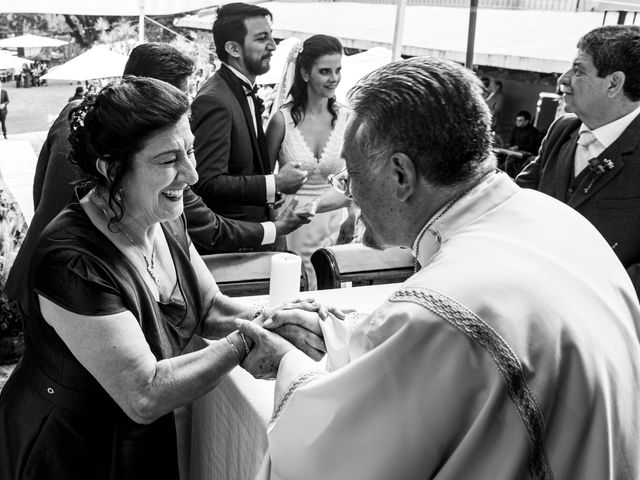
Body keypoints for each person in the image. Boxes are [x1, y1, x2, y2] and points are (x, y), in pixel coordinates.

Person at [236, 57, 640, 479]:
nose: (350, 194)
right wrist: (338, 334)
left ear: (401, 175)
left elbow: (329, 458)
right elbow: (477, 359)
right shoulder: (561, 220)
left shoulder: (441, 308)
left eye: (351, 177)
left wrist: (286, 362)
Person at [0, 77, 330, 480]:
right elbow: (145, 392)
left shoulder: (164, 218)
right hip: (68, 448)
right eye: (168, 160)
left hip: (137, 439)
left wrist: (281, 315)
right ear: (110, 167)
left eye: (189, 150)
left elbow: (210, 307)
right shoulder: (71, 259)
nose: (190, 174)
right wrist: (249, 338)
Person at [4, 42, 306, 314]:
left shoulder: (79, 114)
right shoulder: (149, 156)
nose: (179, 109)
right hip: (79, 279)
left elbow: (40, 183)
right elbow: (207, 226)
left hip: (43, 266)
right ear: (150, 93)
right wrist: (275, 229)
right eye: (175, 97)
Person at [517, 25, 640, 299]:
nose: (564, 79)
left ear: (613, 83)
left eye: (578, 70)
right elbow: (518, 199)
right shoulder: (562, 130)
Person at [190, 3, 309, 250]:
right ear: (233, 48)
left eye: (271, 36)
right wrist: (275, 183)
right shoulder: (215, 100)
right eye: (262, 38)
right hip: (234, 246)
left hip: (259, 233)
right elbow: (207, 183)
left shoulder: (240, 90)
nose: (273, 46)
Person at [265, 34, 353, 289]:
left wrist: (352, 214)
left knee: (332, 285)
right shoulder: (281, 121)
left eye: (337, 70)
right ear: (304, 73)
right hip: (291, 224)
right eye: (325, 71)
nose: (333, 78)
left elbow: (355, 177)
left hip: (334, 221)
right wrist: (275, 229)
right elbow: (266, 180)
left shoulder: (348, 118)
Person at [499, 110, 541, 177]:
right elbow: (511, 141)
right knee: (499, 155)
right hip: (514, 152)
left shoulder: (533, 131)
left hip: (526, 154)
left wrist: (518, 147)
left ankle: (500, 174)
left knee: (508, 162)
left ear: (527, 121)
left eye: (520, 120)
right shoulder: (515, 129)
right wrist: (507, 145)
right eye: (517, 120)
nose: (517, 122)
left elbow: (531, 146)